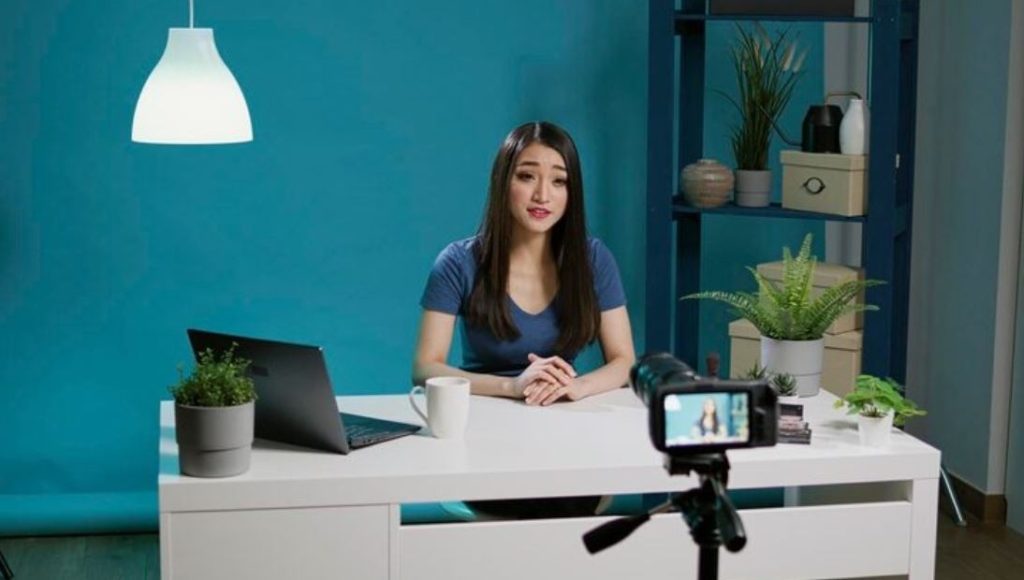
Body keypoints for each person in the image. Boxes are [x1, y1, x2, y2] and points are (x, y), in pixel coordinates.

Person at [411, 121, 636, 518]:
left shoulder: (593, 259)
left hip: (568, 428)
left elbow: (623, 360)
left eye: (559, 181)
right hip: (487, 429)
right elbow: (425, 367)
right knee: (532, 506)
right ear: (504, 181)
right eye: (527, 176)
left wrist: (575, 388)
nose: (542, 195)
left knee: (565, 500)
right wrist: (513, 386)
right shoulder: (458, 263)